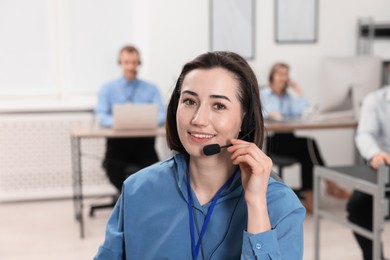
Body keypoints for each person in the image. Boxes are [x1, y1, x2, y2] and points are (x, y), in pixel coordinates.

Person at [94, 51, 305, 259]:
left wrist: (257, 204)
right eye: (189, 101)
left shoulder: (280, 203)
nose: (198, 119)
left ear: (245, 117)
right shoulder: (136, 190)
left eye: (219, 105)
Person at [260, 62, 350, 213]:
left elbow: (303, 111)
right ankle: (329, 185)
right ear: (272, 76)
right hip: (272, 142)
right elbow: (255, 112)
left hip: (289, 139)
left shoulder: (287, 96)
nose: (283, 77)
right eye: (280, 74)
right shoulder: (263, 93)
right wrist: (269, 114)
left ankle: (313, 196)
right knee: (309, 145)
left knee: (308, 150)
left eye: (286, 74)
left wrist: (299, 91)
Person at [95, 45, 166, 192]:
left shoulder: (151, 88)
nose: (131, 66)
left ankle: (142, 202)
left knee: (155, 173)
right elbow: (101, 116)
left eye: (134, 62)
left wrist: (146, 122)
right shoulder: (107, 89)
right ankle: (126, 201)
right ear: (120, 63)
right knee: (114, 170)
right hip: (117, 145)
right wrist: (120, 123)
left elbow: (162, 115)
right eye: (127, 62)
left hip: (144, 144)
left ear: (139, 63)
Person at [347, 86, 390, 260]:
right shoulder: (376, 99)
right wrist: (374, 153)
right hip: (385, 164)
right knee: (358, 208)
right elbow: (365, 133)